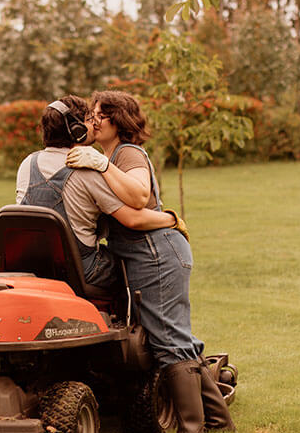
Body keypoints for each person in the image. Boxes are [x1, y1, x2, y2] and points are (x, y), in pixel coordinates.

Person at [66, 89, 234, 433]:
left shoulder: (127, 153)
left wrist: (102, 165)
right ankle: (218, 419)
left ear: (118, 121)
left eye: (99, 115)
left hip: (156, 254)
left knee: (167, 340)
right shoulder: (111, 155)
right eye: (91, 114)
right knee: (176, 336)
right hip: (151, 253)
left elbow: (140, 196)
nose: (91, 120)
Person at [15, 95, 183, 289]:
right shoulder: (86, 170)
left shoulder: (27, 164)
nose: (93, 123)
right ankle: (129, 317)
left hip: (34, 264)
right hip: (80, 269)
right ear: (76, 130)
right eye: (88, 119)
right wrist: (172, 220)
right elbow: (132, 218)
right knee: (132, 267)